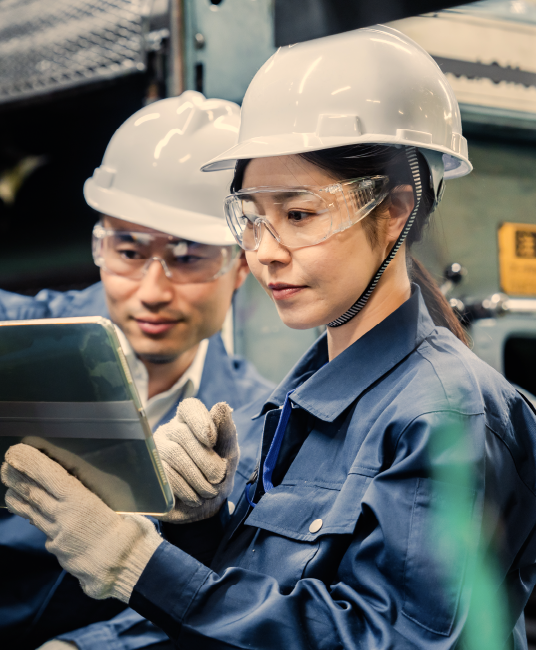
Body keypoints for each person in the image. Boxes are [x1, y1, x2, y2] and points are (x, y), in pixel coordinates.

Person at [4, 25, 536, 649]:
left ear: (394, 210)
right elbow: (268, 593)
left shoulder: (446, 415)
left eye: (300, 215)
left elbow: (389, 638)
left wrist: (135, 561)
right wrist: (203, 524)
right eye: (253, 219)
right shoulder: (295, 405)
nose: (266, 254)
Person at [0, 91, 274, 650]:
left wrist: (93, 646)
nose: (153, 292)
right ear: (98, 246)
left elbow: (226, 597)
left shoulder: (260, 427)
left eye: (188, 256)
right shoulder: (12, 337)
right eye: (128, 251)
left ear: (240, 265)